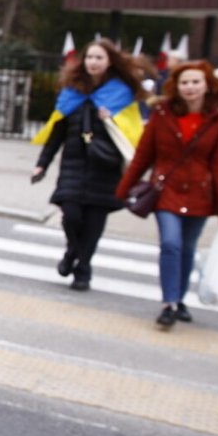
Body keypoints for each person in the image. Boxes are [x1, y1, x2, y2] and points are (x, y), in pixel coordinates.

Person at [116, 61, 218, 328]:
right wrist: (124, 189)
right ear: (175, 87)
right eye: (184, 83)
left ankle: (179, 299)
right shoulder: (162, 114)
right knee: (171, 244)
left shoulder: (217, 121)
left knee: (187, 249)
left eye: (195, 82)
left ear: (207, 85)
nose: (190, 87)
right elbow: (143, 156)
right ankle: (168, 303)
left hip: (200, 196)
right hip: (166, 191)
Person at [31, 39, 145, 291]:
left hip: (105, 168)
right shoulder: (71, 92)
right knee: (70, 215)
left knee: (93, 223)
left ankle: (83, 269)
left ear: (109, 62)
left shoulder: (122, 95)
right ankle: (72, 250)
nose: (93, 62)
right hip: (73, 165)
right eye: (89, 57)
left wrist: (111, 120)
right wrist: (42, 164)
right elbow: (56, 132)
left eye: (99, 58)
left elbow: (133, 134)